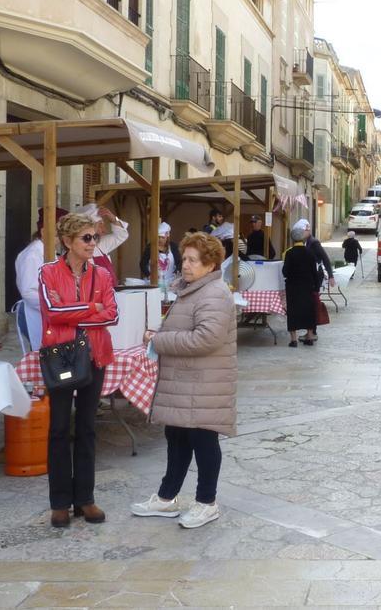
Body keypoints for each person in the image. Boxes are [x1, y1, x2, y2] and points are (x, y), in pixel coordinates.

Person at [133, 232, 237, 530]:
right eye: (185, 259)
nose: (186, 265)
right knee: (177, 439)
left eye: (193, 260)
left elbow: (206, 338)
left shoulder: (214, 293)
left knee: (204, 441)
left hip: (204, 384)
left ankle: (207, 503)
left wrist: (161, 340)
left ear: (210, 263)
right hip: (186, 382)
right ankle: (167, 498)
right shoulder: (192, 290)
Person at [38, 212, 118, 528]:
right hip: (61, 357)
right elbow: (52, 311)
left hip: (95, 355)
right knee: (58, 428)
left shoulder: (104, 275)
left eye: (95, 237)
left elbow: (112, 315)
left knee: (86, 427)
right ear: (67, 241)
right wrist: (91, 309)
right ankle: (59, 502)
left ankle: (85, 499)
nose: (92, 243)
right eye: (86, 238)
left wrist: (77, 314)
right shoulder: (47, 272)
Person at [15, 207, 68, 350]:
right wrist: (56, 307)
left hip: (51, 314)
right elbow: (29, 292)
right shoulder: (32, 255)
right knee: (44, 356)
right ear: (44, 232)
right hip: (35, 313)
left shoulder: (49, 253)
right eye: (59, 234)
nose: (62, 239)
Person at [282, 226, 322, 347]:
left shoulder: (289, 253)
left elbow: (285, 272)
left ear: (292, 240)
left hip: (293, 287)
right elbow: (315, 272)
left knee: (293, 311)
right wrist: (316, 287)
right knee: (308, 310)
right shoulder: (310, 253)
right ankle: (309, 336)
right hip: (308, 286)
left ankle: (293, 340)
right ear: (303, 239)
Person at [75, 204, 128, 281]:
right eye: (100, 225)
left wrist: (114, 219)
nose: (104, 230)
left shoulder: (101, 244)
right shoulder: (78, 249)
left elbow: (121, 235)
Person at [296, 219, 336, 290]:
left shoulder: (314, 243)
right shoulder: (301, 242)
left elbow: (325, 258)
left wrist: (330, 276)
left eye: (302, 231)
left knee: (313, 296)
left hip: (315, 274)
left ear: (307, 231)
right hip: (307, 274)